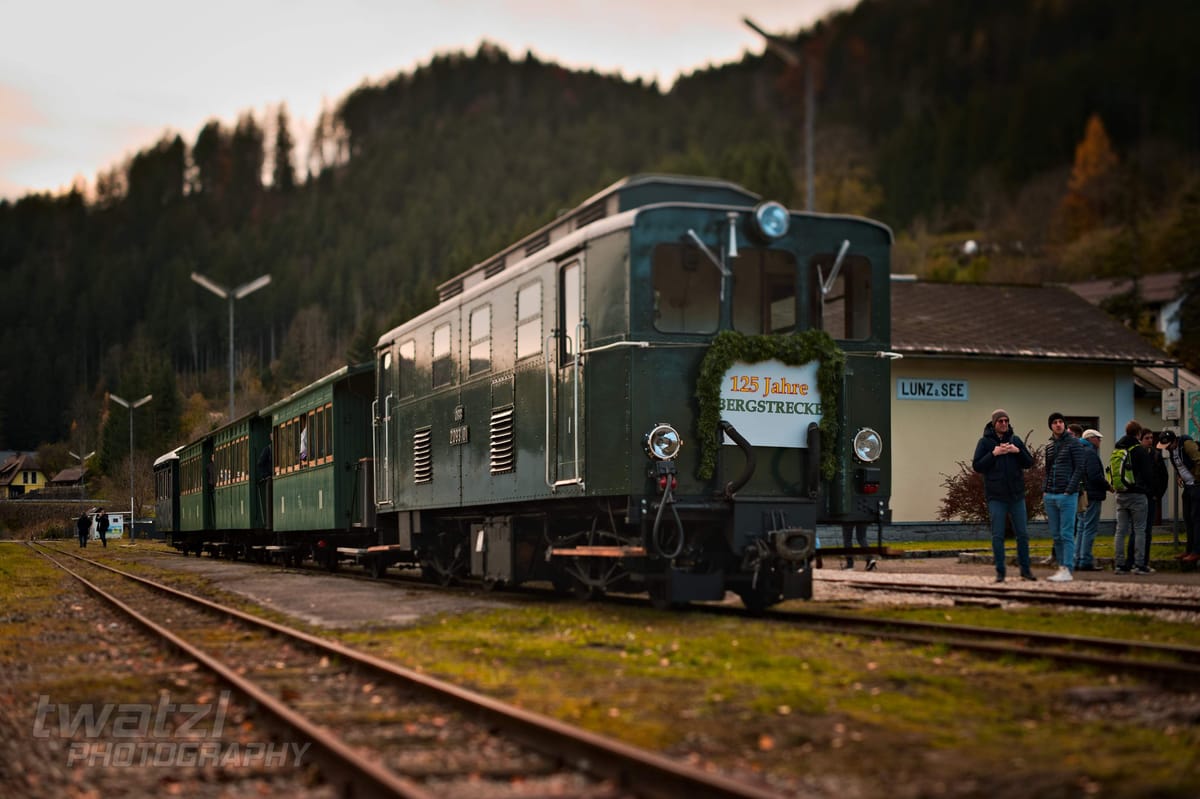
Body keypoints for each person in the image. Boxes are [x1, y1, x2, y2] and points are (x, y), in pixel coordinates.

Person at [972, 409, 1036, 583]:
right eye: (1000, 421)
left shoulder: (1015, 440)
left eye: (1006, 421)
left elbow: (1029, 463)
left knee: (1022, 534)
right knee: (998, 535)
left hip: (1016, 495)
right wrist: (993, 454)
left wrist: (1017, 451)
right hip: (996, 496)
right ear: (994, 423)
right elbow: (977, 466)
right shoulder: (985, 442)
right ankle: (1000, 572)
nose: (1004, 423)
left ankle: (1026, 571)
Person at [1042, 412, 1085, 582]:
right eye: (1054, 422)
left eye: (1061, 422)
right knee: (1056, 535)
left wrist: (1069, 490)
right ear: (1051, 426)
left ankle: (1067, 568)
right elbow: (1047, 470)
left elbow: (1080, 468)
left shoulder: (1074, 443)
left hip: (1067, 496)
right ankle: (1061, 568)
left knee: (1066, 533)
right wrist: (1045, 490)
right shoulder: (1050, 447)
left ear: (1064, 425)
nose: (1058, 424)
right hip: (1050, 495)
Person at [1111, 420, 1154, 574]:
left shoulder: (1118, 448)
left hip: (1121, 494)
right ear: (1138, 434)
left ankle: (1120, 565)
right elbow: (1148, 474)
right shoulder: (1139, 450)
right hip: (1137, 494)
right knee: (1140, 530)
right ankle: (1139, 565)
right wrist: (1149, 490)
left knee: (1120, 530)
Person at [1157, 430, 1200, 562]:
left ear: (1174, 441)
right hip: (1188, 487)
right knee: (1188, 519)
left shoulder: (1186, 443)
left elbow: (1198, 460)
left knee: (1197, 519)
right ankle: (1189, 550)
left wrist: (1197, 479)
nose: (1168, 448)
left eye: (1169, 445)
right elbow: (1179, 466)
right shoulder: (1172, 451)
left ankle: (1197, 551)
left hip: (1196, 486)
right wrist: (1180, 476)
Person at [1073, 429, 1107, 571]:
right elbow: (1094, 476)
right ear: (1091, 439)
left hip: (1081, 494)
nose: (1100, 441)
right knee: (1089, 528)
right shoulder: (1090, 453)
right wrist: (1108, 486)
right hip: (1092, 495)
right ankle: (1085, 559)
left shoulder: (1078, 451)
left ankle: (1077, 558)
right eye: (1098, 438)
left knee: (1081, 527)